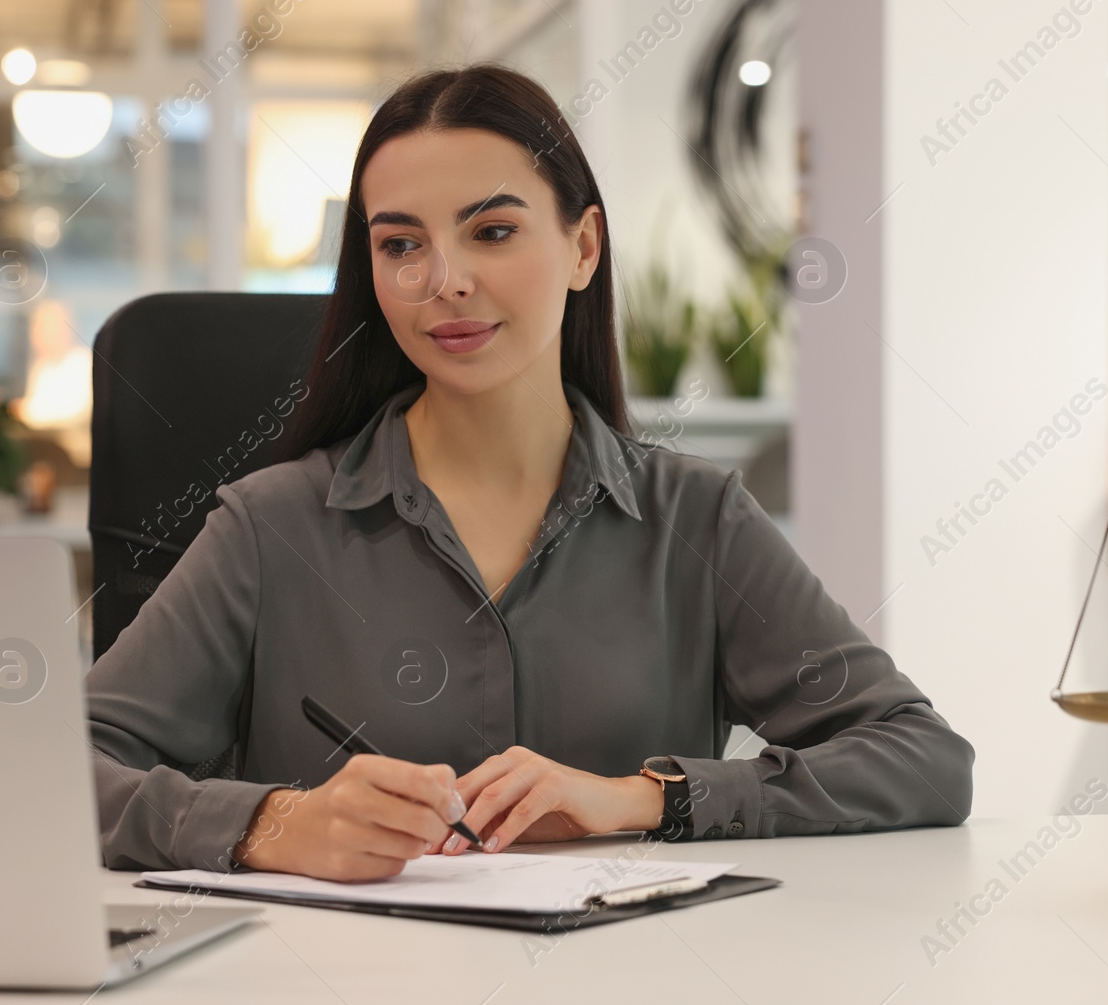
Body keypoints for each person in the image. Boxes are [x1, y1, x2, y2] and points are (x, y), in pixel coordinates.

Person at [86, 63, 974, 884]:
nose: (447, 280)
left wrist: (643, 797)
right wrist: (274, 824)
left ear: (583, 246)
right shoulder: (270, 526)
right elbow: (58, 769)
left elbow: (921, 757)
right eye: (402, 245)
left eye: (494, 230)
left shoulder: (695, 519)